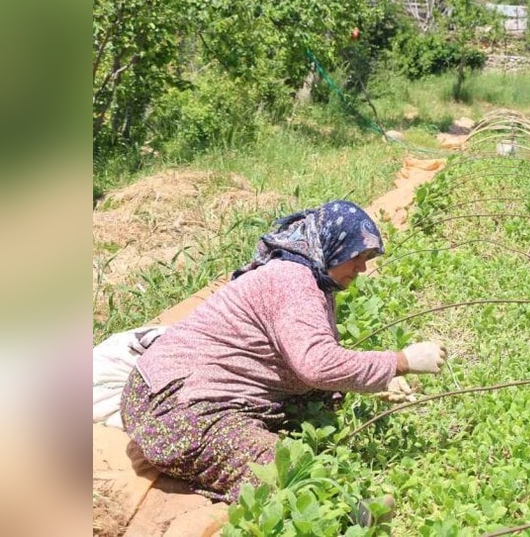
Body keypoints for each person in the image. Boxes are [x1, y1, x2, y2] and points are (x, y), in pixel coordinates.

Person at [119, 200, 447, 503]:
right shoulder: (292, 281)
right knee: (284, 472)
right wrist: (400, 362)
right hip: (172, 406)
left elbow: (311, 360)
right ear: (334, 246)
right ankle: (346, 511)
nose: (362, 268)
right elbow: (317, 365)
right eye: (357, 256)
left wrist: (379, 379)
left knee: (320, 401)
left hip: (183, 389)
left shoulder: (311, 276)